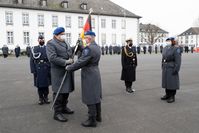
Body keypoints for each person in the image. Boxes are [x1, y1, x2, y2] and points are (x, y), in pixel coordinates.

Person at [66, 31, 102, 127]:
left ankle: (92, 120)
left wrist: (69, 68)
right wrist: (82, 48)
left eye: (85, 38)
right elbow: (88, 55)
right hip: (95, 72)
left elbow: (81, 61)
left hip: (89, 74)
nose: (84, 39)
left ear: (88, 38)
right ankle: (98, 116)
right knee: (96, 95)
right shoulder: (96, 47)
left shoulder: (89, 48)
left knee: (90, 96)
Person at [46, 27, 74, 122]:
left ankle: (64, 107)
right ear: (56, 35)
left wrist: (76, 46)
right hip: (58, 72)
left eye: (64, 34)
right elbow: (52, 58)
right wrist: (66, 61)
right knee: (59, 92)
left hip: (67, 70)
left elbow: (69, 51)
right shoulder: (51, 43)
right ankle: (57, 113)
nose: (63, 35)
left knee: (66, 91)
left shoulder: (65, 42)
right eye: (61, 34)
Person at [30, 35, 51, 105]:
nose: (41, 40)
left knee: (46, 85)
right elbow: (31, 61)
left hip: (46, 68)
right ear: (38, 40)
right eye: (40, 39)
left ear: (44, 40)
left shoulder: (47, 48)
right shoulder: (34, 49)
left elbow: (50, 59)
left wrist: (50, 68)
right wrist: (33, 70)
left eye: (42, 39)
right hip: (38, 69)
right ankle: (40, 98)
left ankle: (46, 97)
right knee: (39, 85)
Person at [161, 37, 181, 103]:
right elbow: (163, 58)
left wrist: (176, 69)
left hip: (172, 68)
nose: (168, 42)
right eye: (167, 41)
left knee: (172, 83)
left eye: (169, 41)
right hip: (166, 67)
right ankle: (167, 94)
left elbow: (178, 61)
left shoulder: (176, 49)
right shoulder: (165, 48)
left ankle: (172, 96)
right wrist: (162, 65)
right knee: (166, 82)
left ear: (172, 41)